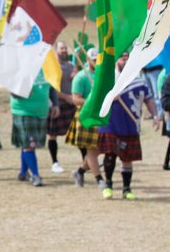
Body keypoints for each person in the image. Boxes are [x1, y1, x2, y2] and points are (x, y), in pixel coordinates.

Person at [98, 53, 159, 199]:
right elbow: (97, 98)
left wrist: (155, 115)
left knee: (127, 158)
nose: (125, 59)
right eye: (122, 57)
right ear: (116, 60)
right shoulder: (109, 80)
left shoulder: (139, 81)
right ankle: (108, 185)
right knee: (110, 155)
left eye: (127, 57)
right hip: (110, 124)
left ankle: (127, 189)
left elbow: (149, 99)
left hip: (131, 124)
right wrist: (110, 95)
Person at [65, 48, 104, 188]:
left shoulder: (102, 75)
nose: (96, 62)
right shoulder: (81, 77)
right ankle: (100, 179)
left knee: (98, 150)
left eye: (98, 60)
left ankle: (80, 171)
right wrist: (92, 102)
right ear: (88, 60)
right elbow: (76, 99)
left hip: (101, 116)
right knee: (92, 150)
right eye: (94, 60)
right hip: (86, 117)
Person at [11, 72, 52, 187]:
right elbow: (13, 91)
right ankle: (35, 175)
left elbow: (50, 88)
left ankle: (23, 173)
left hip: (41, 112)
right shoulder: (22, 68)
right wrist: (22, 93)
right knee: (29, 145)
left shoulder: (44, 68)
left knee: (28, 145)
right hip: (24, 112)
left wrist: (55, 104)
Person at [47, 40, 75, 173]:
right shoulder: (53, 67)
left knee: (79, 133)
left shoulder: (71, 66)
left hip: (71, 105)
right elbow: (53, 89)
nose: (64, 50)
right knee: (53, 135)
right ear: (56, 50)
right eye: (61, 48)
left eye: (65, 48)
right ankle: (55, 162)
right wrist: (67, 97)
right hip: (58, 104)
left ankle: (86, 159)